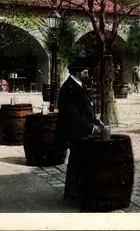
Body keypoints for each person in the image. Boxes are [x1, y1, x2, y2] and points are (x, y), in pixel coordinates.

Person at [56, 57, 104, 200]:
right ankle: (73, 192)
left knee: (79, 160)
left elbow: (85, 108)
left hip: (81, 129)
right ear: (77, 72)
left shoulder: (78, 84)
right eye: (85, 71)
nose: (87, 74)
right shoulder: (69, 87)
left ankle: (77, 190)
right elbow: (72, 114)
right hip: (74, 130)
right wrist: (91, 127)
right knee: (76, 160)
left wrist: (96, 121)